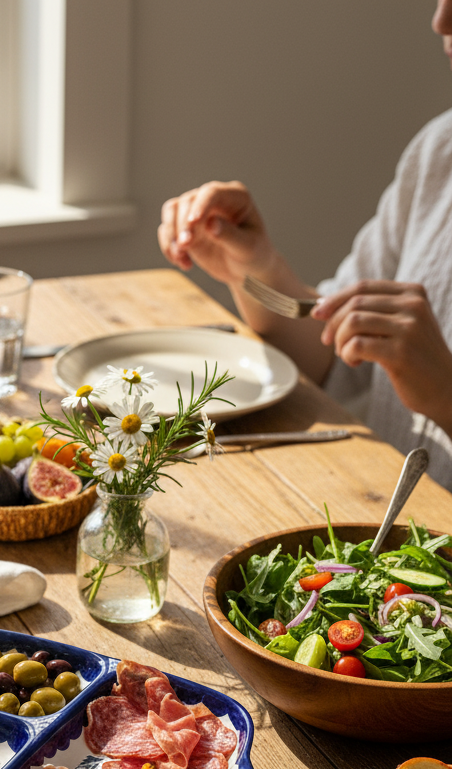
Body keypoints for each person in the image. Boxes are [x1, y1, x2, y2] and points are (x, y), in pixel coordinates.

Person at [158, 0, 452, 489]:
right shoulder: (439, 153)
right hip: (388, 537)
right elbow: (332, 355)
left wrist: (446, 394)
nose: (440, 21)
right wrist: (252, 271)